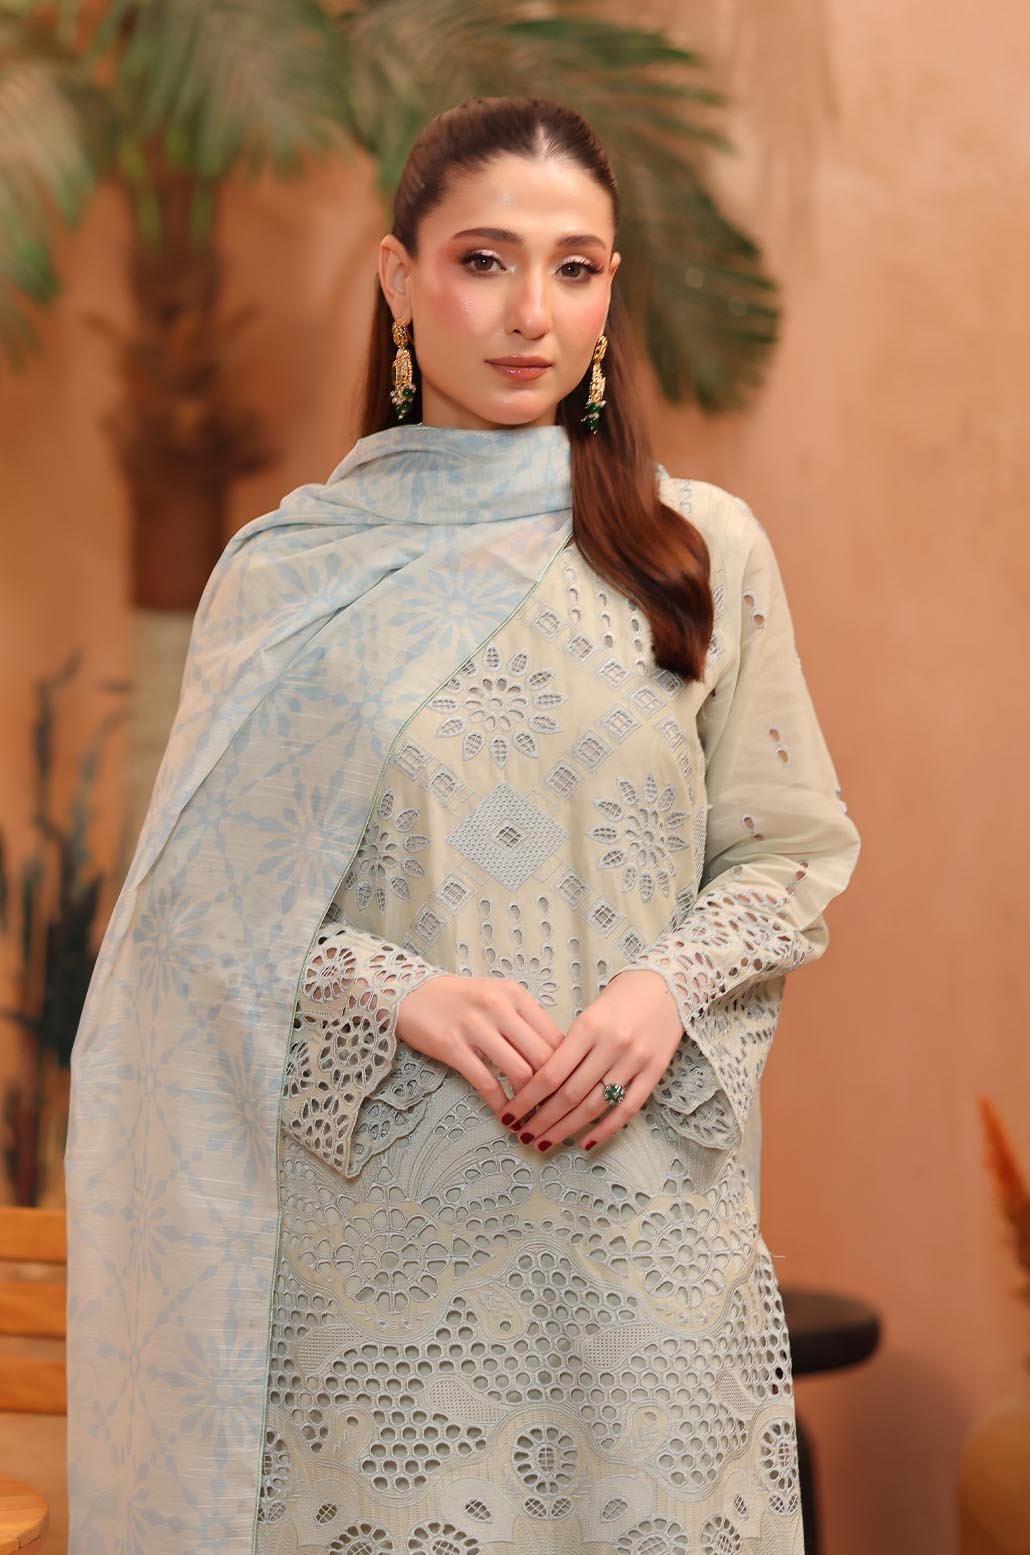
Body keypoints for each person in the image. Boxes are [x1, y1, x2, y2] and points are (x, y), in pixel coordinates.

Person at [64, 95, 861, 1555]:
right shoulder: (288, 576)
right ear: (399, 277)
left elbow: (787, 850)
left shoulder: (694, 549)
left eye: (575, 267)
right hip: (378, 1273)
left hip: (639, 1249)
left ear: (611, 292)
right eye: (484, 260)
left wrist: (660, 988)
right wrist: (399, 991)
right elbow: (192, 924)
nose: (529, 312)